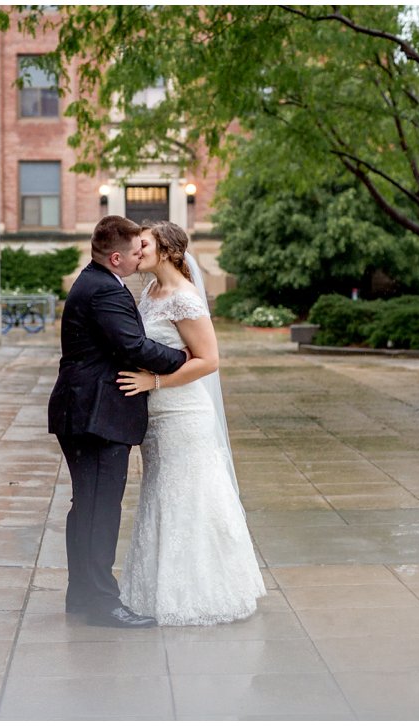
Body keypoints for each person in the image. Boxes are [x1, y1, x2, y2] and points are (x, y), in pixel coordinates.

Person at [117, 221, 265, 625]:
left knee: (190, 496)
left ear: (166, 250)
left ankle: (204, 592)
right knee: (160, 495)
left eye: (143, 243)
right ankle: (154, 588)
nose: (136, 249)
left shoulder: (184, 298)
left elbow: (209, 360)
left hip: (183, 412)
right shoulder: (148, 291)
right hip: (156, 416)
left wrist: (155, 380)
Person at [47, 215, 189, 628]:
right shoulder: (104, 290)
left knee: (88, 507)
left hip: (84, 411)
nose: (139, 256)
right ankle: (102, 603)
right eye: (134, 252)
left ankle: (82, 594)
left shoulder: (95, 281)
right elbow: (133, 345)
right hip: (94, 415)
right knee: (100, 509)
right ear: (115, 257)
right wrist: (181, 360)